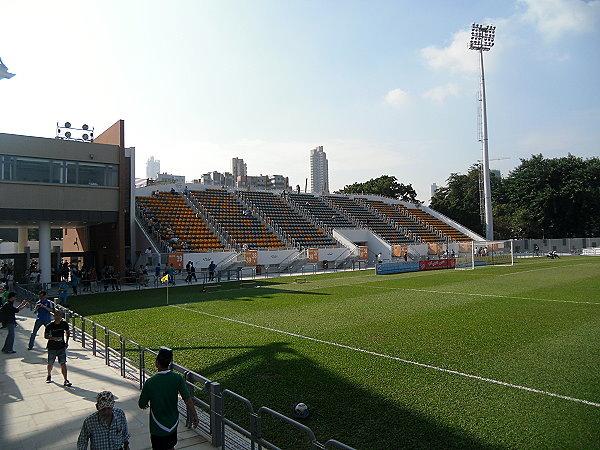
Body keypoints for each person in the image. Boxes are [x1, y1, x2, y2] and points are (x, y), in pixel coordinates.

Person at [138, 348, 199, 450]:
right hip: (173, 424)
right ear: (169, 363)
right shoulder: (177, 378)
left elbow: (141, 403)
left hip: (157, 426)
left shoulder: (150, 382)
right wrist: (195, 415)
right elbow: (187, 399)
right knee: (170, 446)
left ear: (157, 363)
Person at [44, 310, 72, 386]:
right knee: (50, 363)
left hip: (61, 347)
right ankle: (49, 375)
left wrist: (66, 342)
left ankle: (66, 379)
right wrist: (53, 338)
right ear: (54, 316)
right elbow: (45, 336)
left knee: (63, 363)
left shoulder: (64, 324)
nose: (58, 317)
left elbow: (67, 332)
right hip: (52, 347)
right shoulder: (49, 326)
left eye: (60, 315)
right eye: (57, 315)